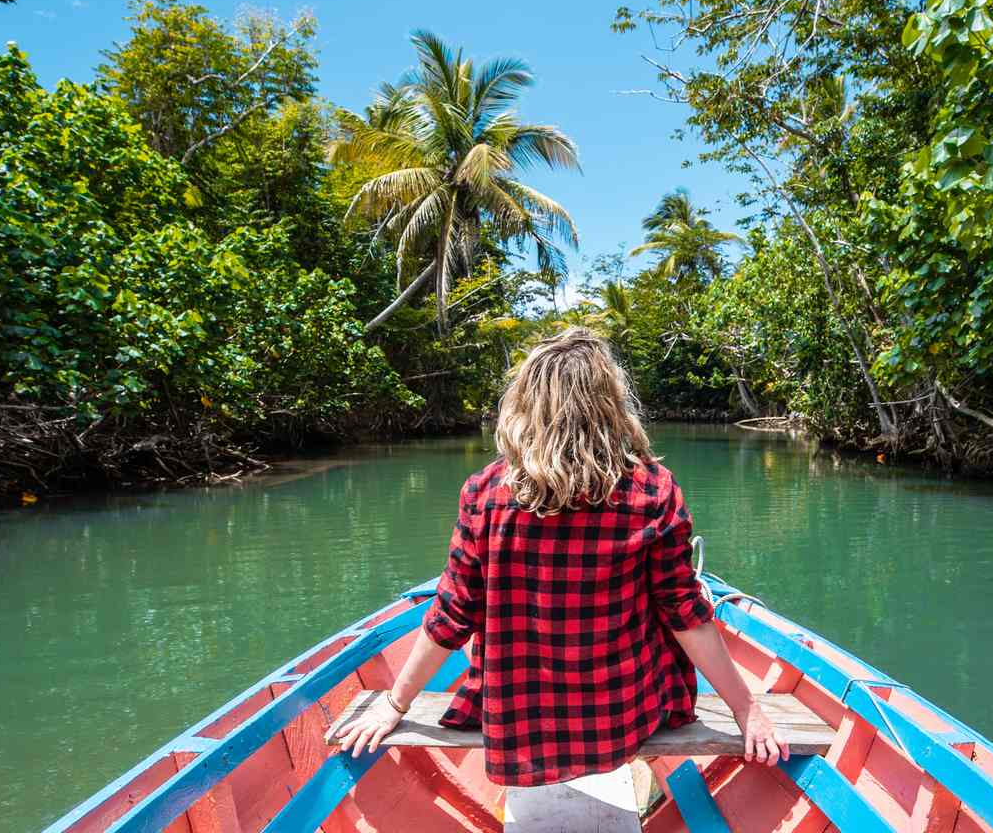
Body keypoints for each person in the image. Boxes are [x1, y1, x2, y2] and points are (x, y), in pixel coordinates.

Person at [336, 327, 789, 784]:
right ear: (611, 405)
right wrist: (745, 709)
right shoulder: (653, 490)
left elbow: (453, 614)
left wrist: (395, 704)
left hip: (517, 723)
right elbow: (684, 614)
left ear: (525, 404)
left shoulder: (484, 492)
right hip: (620, 720)